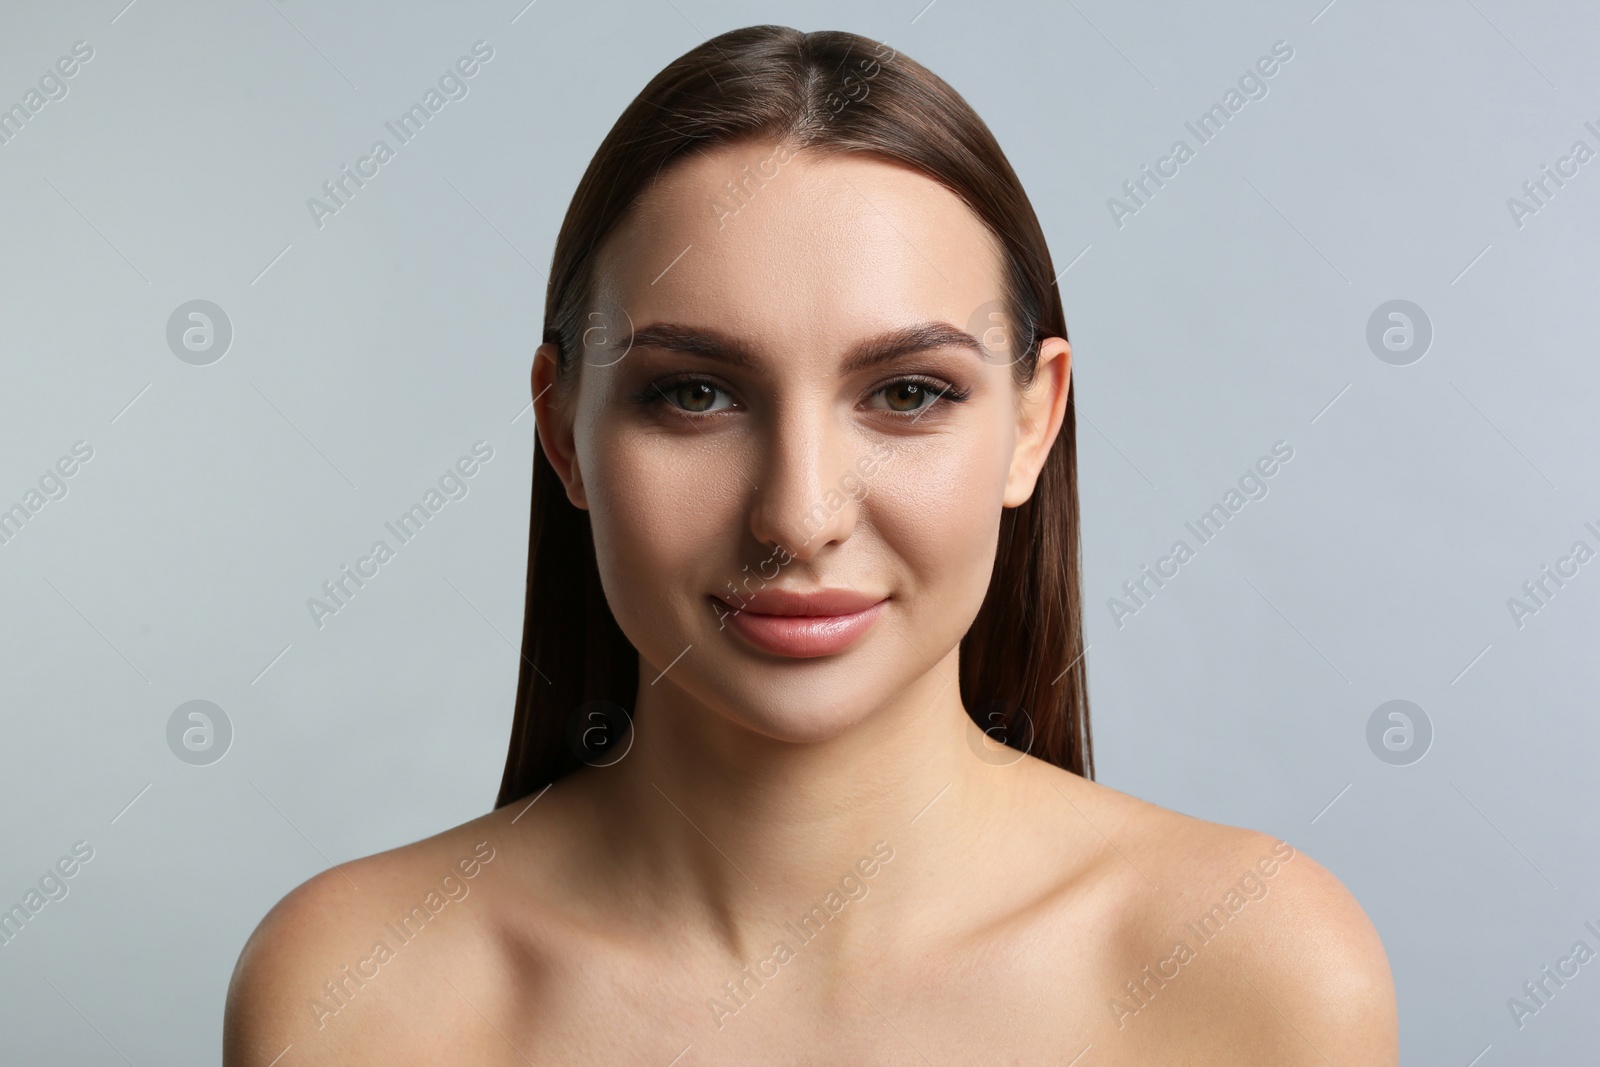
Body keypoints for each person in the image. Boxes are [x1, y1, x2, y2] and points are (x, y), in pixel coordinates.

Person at [224, 25, 1397, 1064]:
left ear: (1031, 422)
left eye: (906, 392)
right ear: (562, 433)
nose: (798, 513)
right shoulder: (352, 993)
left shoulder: (1255, 968)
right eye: (693, 393)